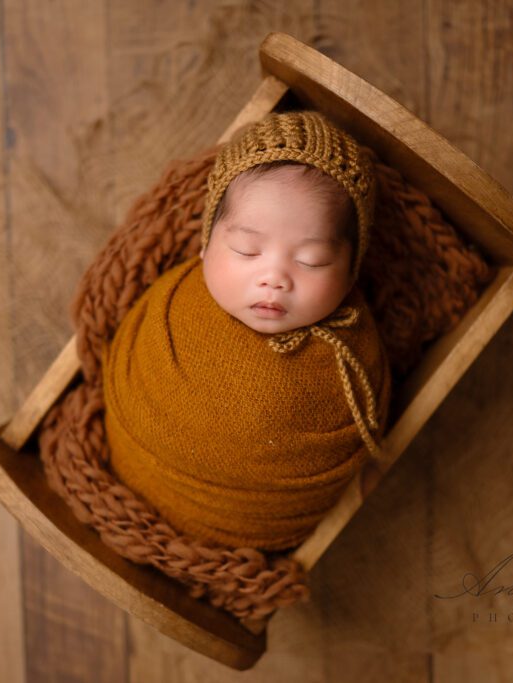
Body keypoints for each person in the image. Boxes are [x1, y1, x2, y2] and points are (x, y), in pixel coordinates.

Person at [102, 110, 391, 551]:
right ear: (205, 243)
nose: (274, 277)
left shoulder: (352, 358)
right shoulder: (173, 303)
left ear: (352, 271)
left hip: (253, 532)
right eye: (246, 249)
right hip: (132, 473)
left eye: (312, 260)